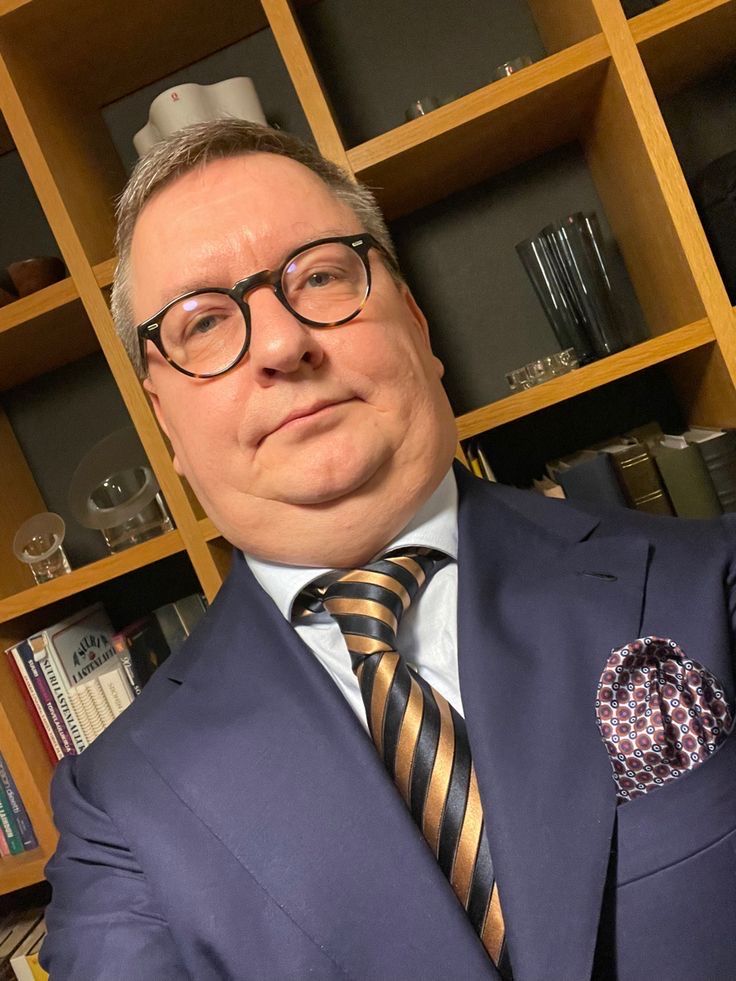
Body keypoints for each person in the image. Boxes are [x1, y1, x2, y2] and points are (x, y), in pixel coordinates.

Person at [41, 120, 736, 981]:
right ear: (166, 428)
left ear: (417, 322)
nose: (282, 345)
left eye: (322, 275)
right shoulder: (120, 808)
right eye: (205, 323)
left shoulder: (710, 575)